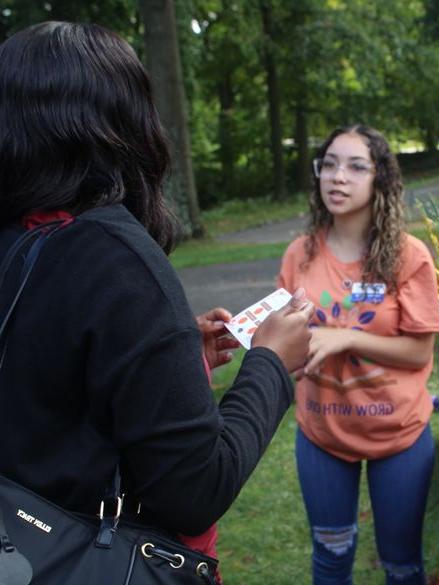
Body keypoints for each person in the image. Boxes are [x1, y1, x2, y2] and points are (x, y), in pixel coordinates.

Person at [0, 19, 314, 566]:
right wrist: (269, 363)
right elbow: (195, 491)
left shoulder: (21, 241)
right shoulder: (117, 259)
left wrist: (163, 353)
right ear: (123, 124)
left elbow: (45, 383)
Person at [278, 125, 439, 584]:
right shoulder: (299, 255)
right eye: (328, 164)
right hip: (322, 431)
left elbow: (418, 351)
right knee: (330, 560)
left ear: (380, 179)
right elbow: (280, 332)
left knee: (402, 564)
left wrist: (346, 338)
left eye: (355, 166)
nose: (337, 177)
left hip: (399, 433)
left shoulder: (408, 257)